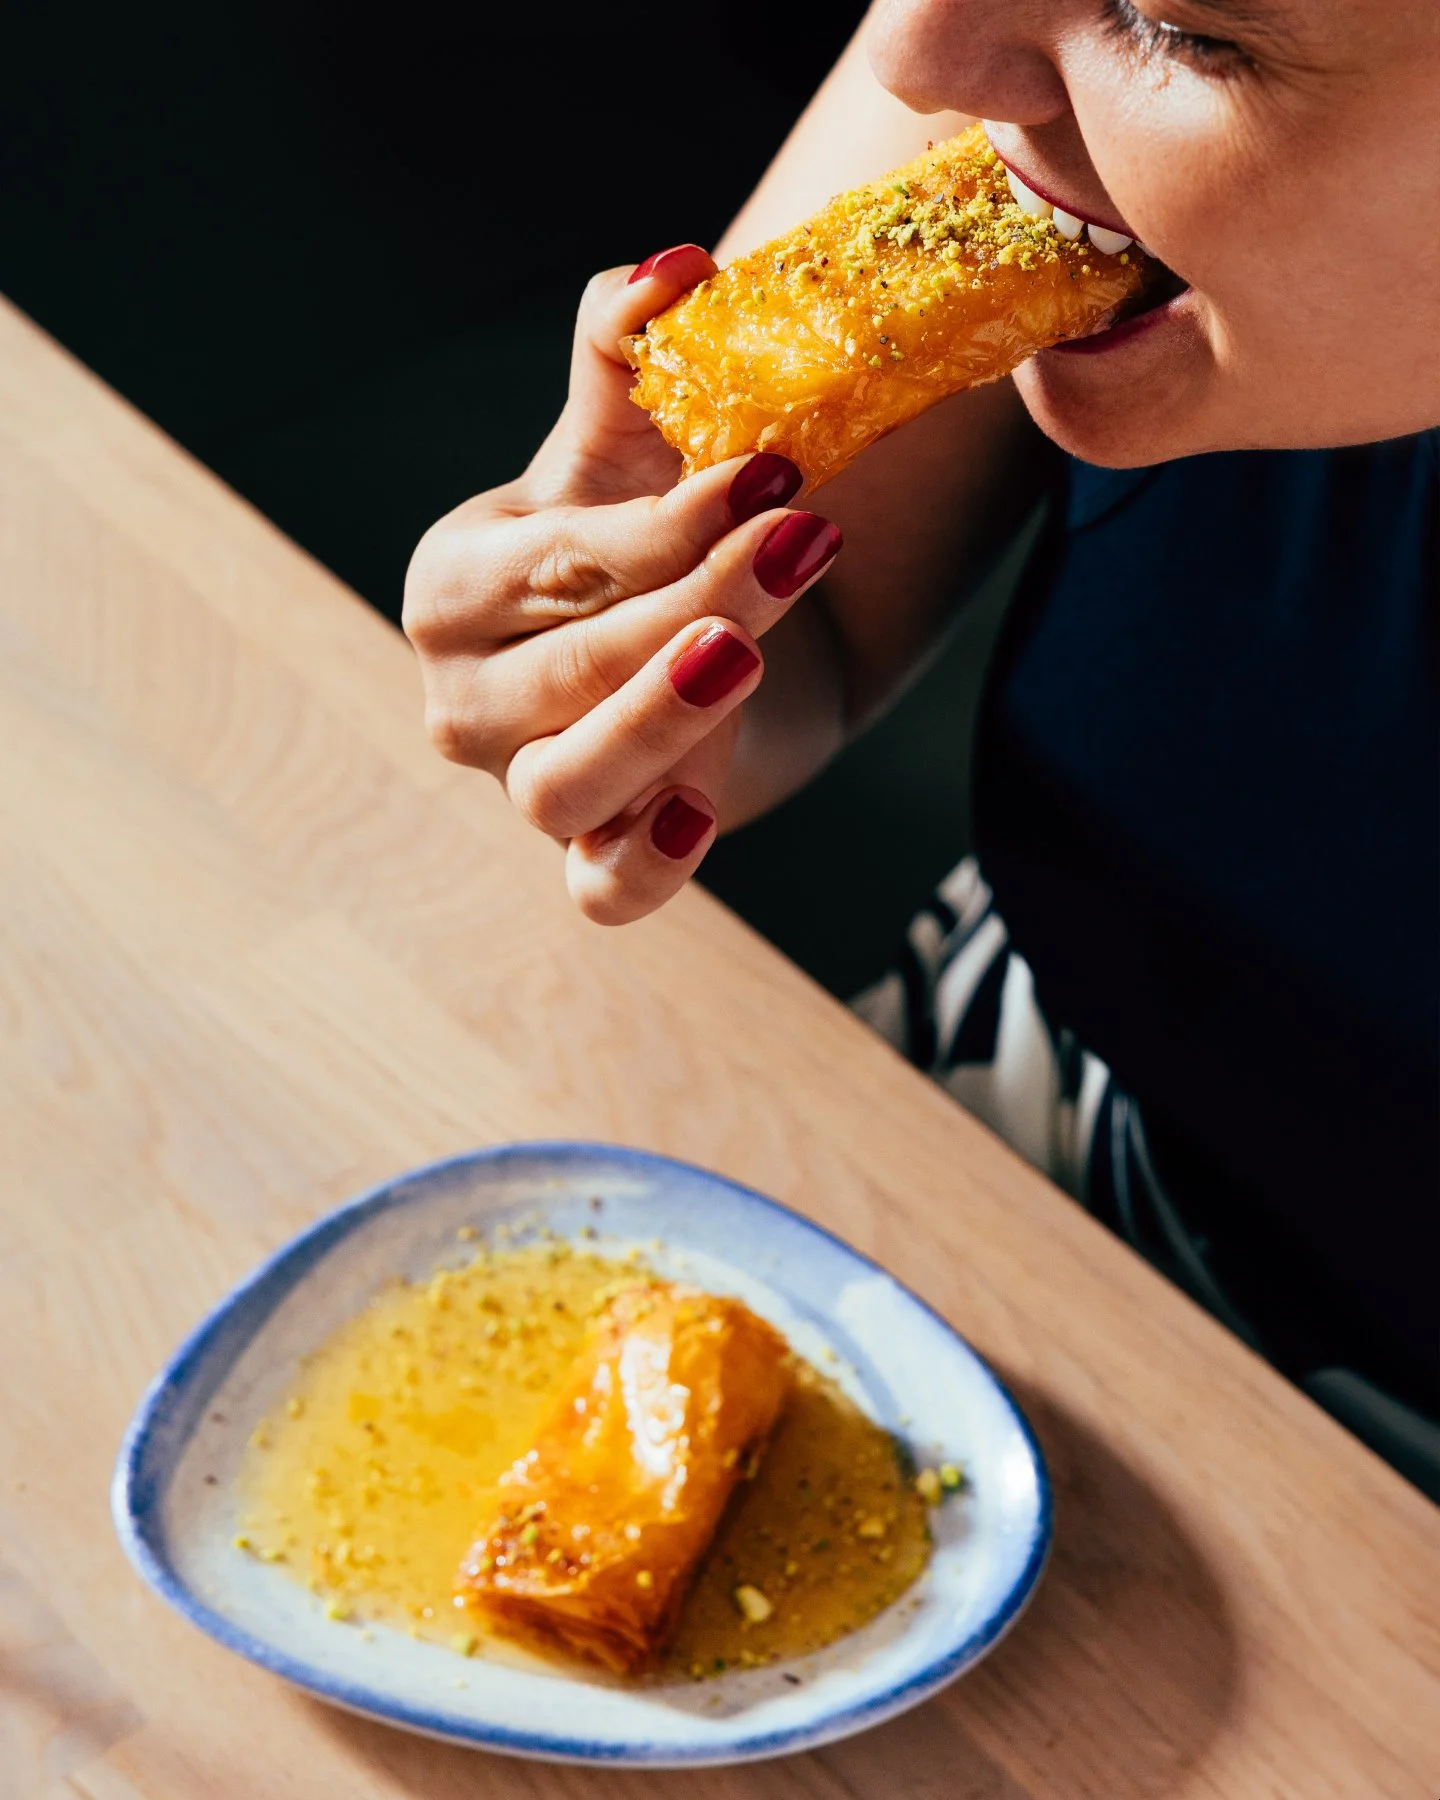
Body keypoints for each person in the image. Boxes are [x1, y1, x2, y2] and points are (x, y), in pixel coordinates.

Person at [402, 0, 1439, 1492]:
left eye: (1175, 23)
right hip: (1045, 1099)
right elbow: (799, 629)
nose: (913, 56)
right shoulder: (1033, 71)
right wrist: (662, 666)